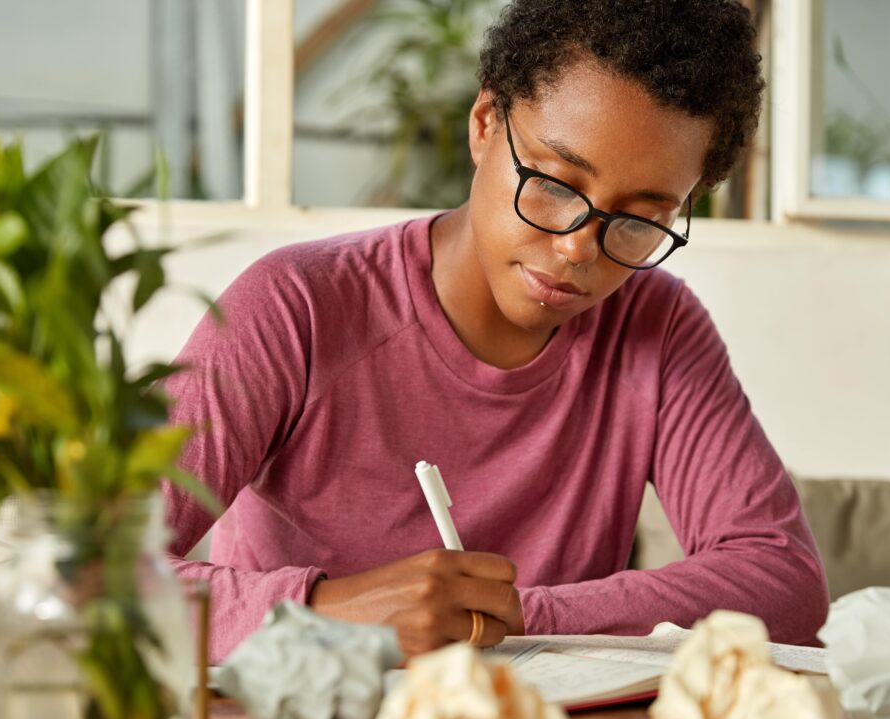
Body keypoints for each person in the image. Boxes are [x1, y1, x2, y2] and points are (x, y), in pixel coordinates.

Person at [165, 0, 829, 662]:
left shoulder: (658, 328)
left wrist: (507, 616)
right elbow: (92, 579)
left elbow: (783, 580)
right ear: (486, 124)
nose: (578, 250)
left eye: (639, 220)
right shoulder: (295, 307)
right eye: (554, 183)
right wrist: (329, 614)